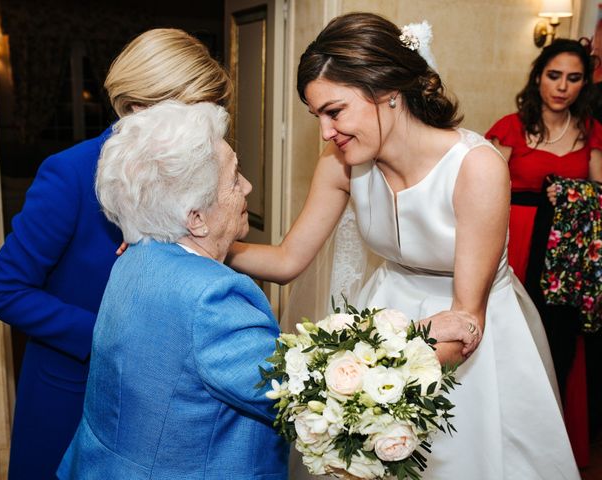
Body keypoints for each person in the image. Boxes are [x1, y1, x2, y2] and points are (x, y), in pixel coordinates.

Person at [227, 12, 579, 479]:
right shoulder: (340, 164)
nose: (327, 133)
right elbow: (287, 259)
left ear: (387, 91)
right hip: (385, 316)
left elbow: (466, 320)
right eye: (318, 117)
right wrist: (191, 248)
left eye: (335, 112)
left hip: (466, 341)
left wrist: (365, 385)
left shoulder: (476, 167)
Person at [0, 29, 231, 479]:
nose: (201, 130)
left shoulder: (201, 171)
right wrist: (106, 338)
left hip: (156, 402)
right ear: (137, 107)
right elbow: (3, 290)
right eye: (189, 113)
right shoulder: (70, 173)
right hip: (70, 396)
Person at [56, 100, 288, 479]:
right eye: (233, 178)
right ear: (195, 217)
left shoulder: (134, 257)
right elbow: (295, 397)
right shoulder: (215, 298)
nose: (247, 186)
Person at [486, 38, 602, 467]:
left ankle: (546, 444)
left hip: (565, 257)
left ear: (583, 84)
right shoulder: (510, 127)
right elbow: (484, 190)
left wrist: (573, 193)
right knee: (507, 335)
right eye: (554, 75)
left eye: (574, 78)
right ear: (538, 77)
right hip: (512, 242)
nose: (562, 86)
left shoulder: (592, 132)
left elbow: (600, 195)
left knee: (555, 345)